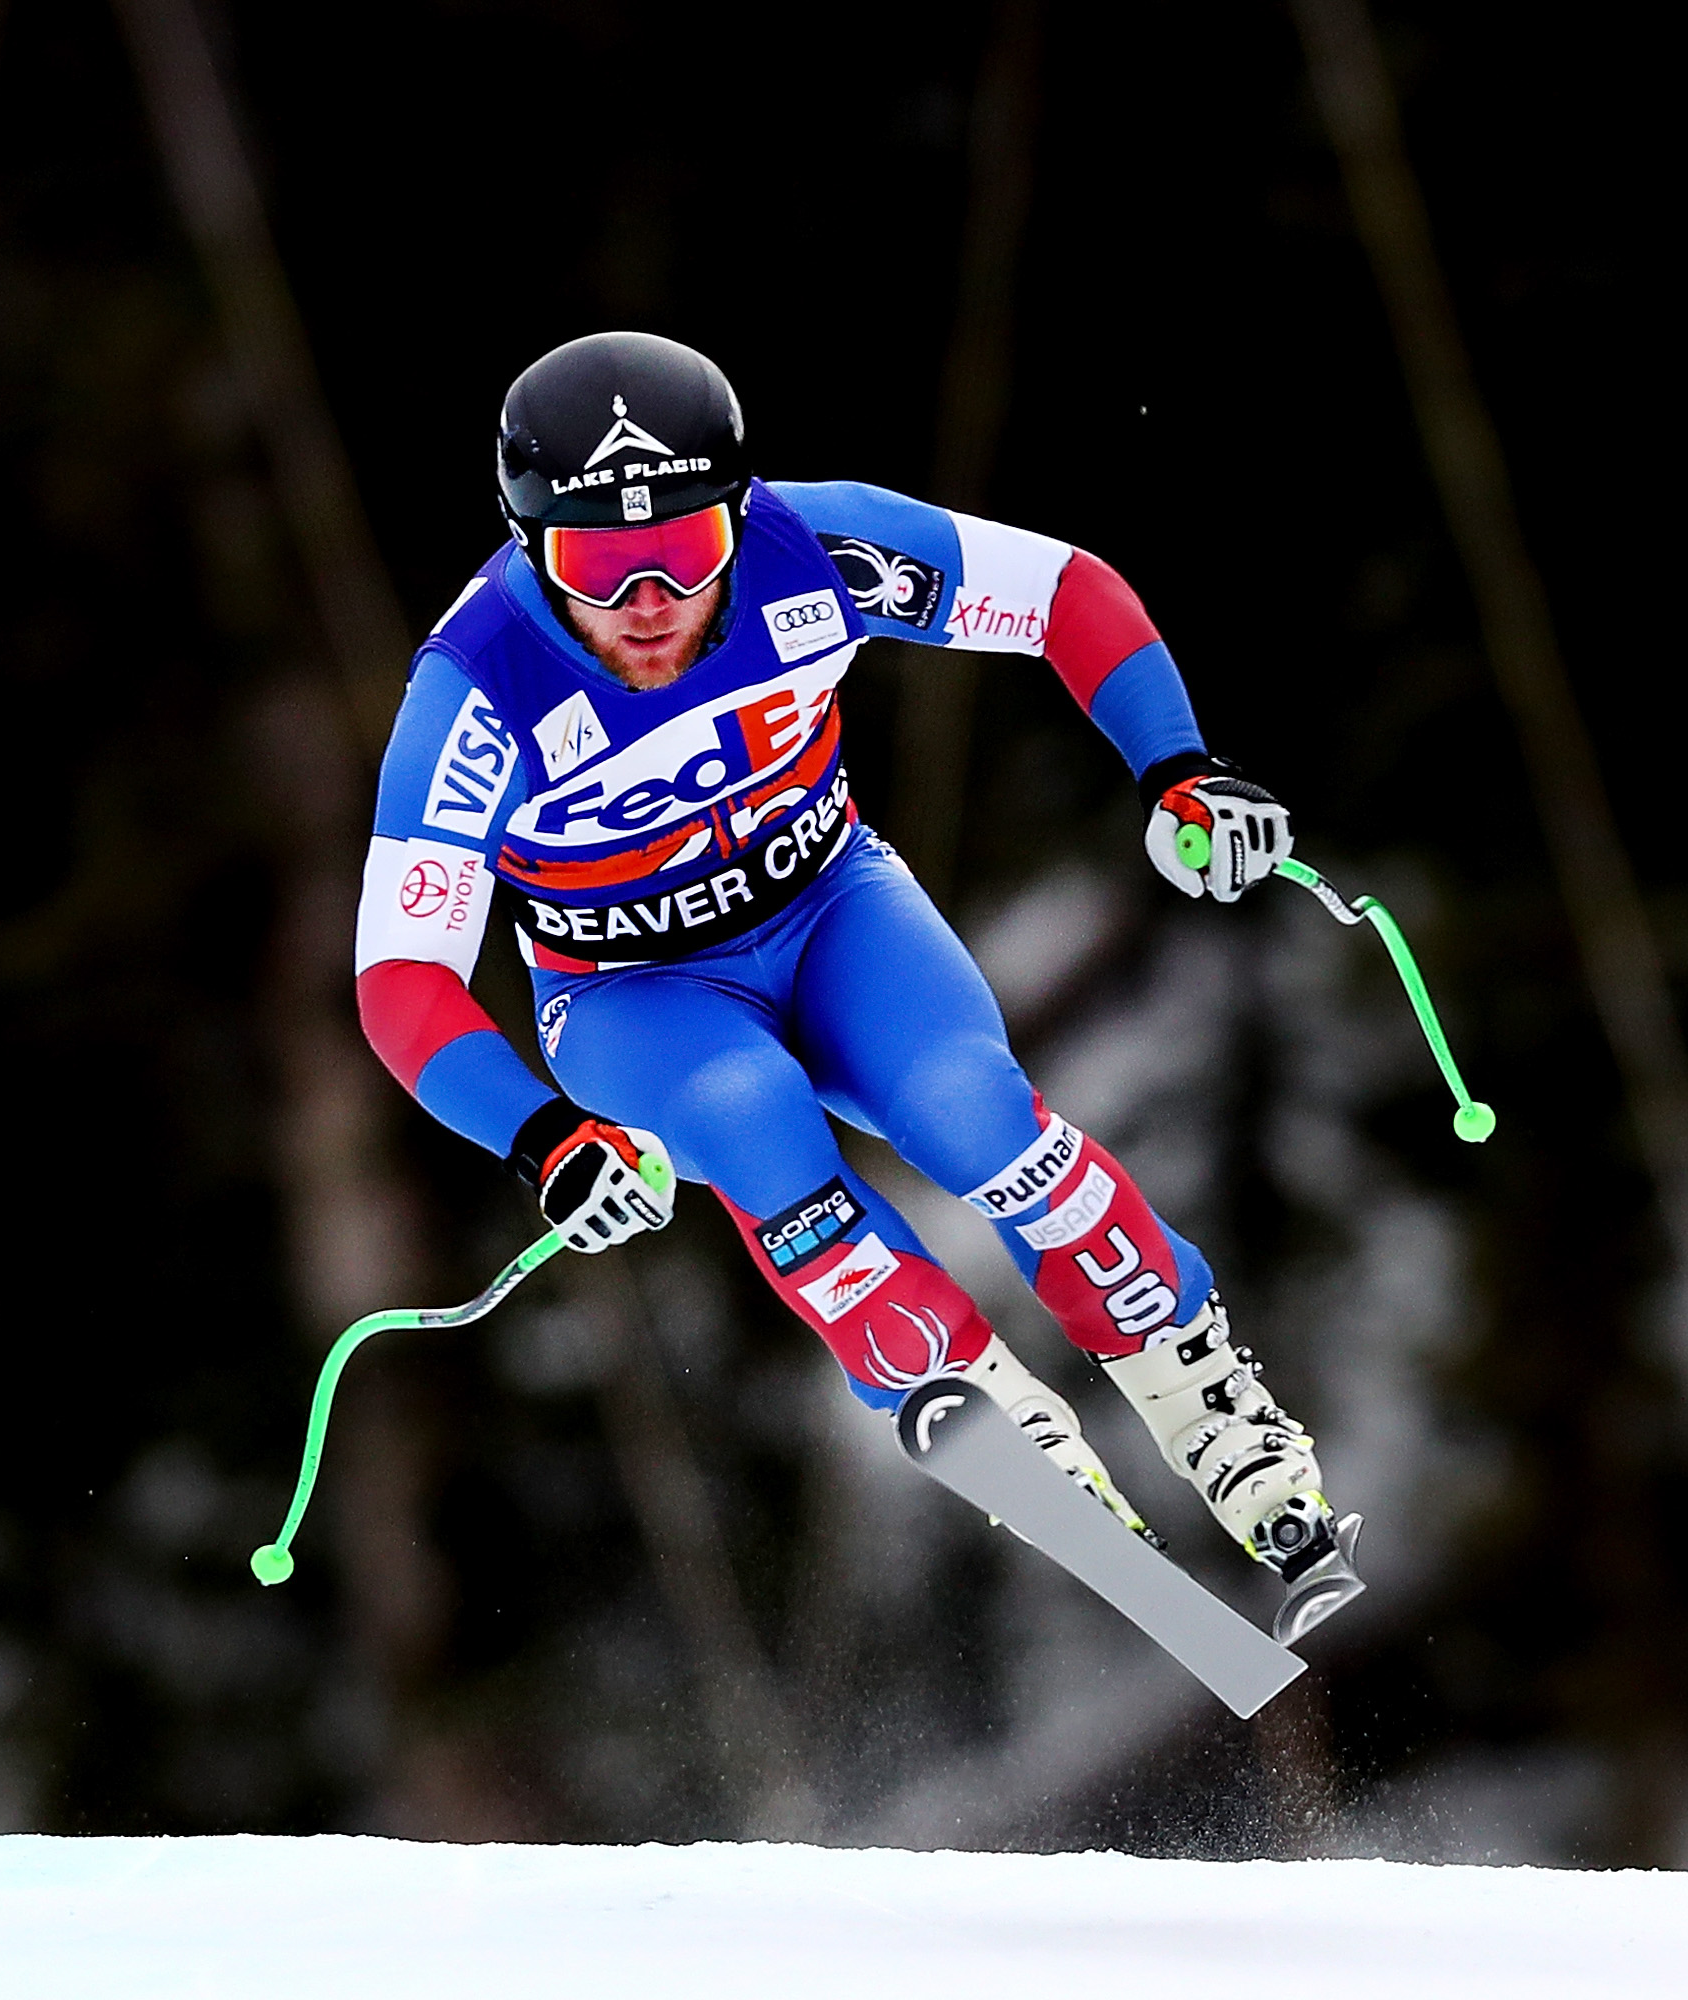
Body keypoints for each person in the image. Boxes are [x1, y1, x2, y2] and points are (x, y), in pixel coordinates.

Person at [352, 330, 1361, 1642]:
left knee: (970, 1112)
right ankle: (1022, 1454)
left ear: (740, 514)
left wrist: (1177, 769)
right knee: (751, 1114)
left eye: (687, 551)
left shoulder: (816, 552)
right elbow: (399, 985)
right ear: (530, 543)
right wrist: (544, 1137)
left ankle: (1225, 1430)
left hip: (832, 911)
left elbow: (1067, 594)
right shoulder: (475, 690)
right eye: (602, 567)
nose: (650, 600)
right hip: (632, 994)